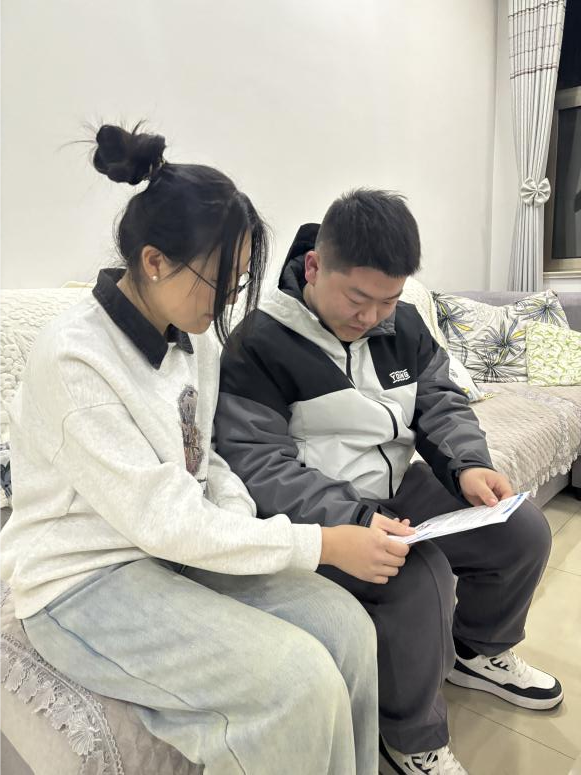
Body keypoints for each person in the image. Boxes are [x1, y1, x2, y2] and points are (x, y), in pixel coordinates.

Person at [0, 128, 391, 775]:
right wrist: (317, 543)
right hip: (82, 581)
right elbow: (163, 519)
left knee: (347, 628)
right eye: (223, 282)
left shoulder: (194, 338)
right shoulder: (74, 358)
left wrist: (241, 530)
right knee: (294, 681)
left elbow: (204, 460)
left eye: (239, 281)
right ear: (154, 261)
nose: (231, 300)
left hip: (169, 549)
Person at [214, 189, 563, 775]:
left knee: (520, 531)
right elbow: (259, 464)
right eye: (358, 299)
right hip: (324, 511)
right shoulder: (259, 343)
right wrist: (354, 520)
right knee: (417, 576)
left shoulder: (402, 323)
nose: (372, 316)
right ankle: (409, 736)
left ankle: (478, 651)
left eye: (389, 300)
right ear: (314, 267)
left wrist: (469, 463)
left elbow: (440, 400)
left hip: (401, 484)